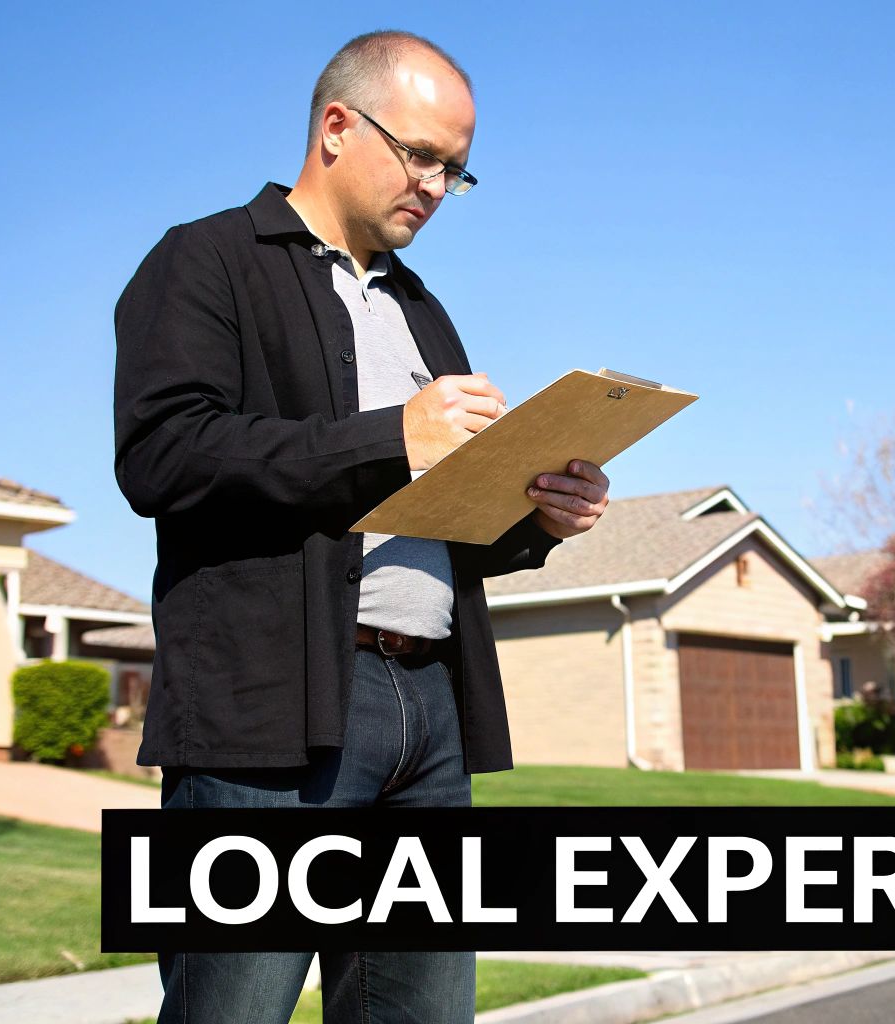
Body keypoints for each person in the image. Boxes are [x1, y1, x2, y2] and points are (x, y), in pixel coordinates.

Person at [112, 30, 609, 1023]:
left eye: (454, 171)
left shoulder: (421, 310)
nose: (433, 184)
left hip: (430, 707)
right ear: (337, 126)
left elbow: (431, 514)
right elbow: (166, 456)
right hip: (270, 718)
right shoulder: (206, 260)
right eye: (420, 154)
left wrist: (535, 516)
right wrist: (393, 435)